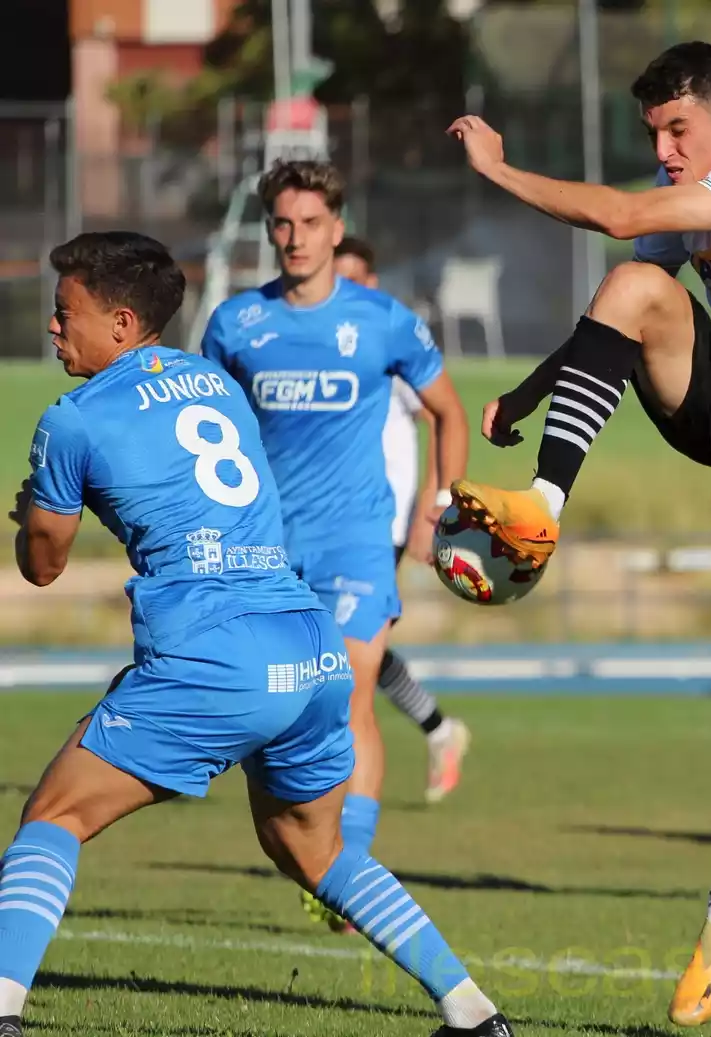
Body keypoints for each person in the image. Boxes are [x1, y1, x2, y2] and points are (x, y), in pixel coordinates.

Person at [444, 41, 711, 1026]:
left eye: (679, 131)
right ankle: (542, 506)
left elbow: (626, 213)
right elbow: (622, 306)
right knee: (640, 287)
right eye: (654, 135)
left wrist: (499, 168)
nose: (666, 150)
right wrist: (531, 388)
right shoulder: (696, 186)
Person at [0, 231, 510, 1037]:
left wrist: (33, 510)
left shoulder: (71, 420)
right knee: (313, 851)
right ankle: (471, 1010)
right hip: (310, 647)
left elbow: (42, 567)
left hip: (212, 654)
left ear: (124, 322)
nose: (53, 328)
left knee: (53, 816)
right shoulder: (216, 381)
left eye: (66, 313)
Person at [201, 162, 470, 934]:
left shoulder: (382, 320)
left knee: (354, 689)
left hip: (356, 538)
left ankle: (349, 867)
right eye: (281, 224)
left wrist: (441, 502)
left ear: (335, 227)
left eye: (310, 224)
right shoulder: (236, 325)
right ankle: (313, 847)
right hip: (264, 548)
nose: (294, 238)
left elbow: (448, 412)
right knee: (287, 707)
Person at [333, 236, 473, 806]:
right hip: (324, 523)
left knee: (350, 648)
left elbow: (443, 417)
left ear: (371, 281)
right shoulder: (317, 342)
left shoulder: (389, 339)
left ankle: (342, 799)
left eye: (354, 278)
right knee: (345, 645)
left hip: (382, 523)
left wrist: (431, 509)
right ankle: (440, 730)